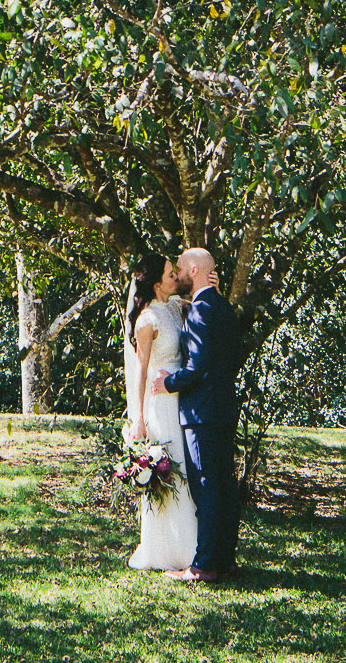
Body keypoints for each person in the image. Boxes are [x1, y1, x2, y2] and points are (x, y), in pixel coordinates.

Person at [152, 246, 244, 583]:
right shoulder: (221, 306)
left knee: (206, 487)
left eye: (180, 268)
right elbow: (233, 358)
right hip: (223, 408)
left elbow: (197, 365)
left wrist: (168, 383)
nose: (177, 273)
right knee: (224, 487)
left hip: (202, 413)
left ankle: (203, 565)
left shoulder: (201, 312)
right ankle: (225, 559)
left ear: (193, 269)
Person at [123, 252, 198, 571]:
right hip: (160, 404)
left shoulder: (173, 307)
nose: (175, 278)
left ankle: (191, 547)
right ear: (156, 284)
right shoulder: (147, 320)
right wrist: (138, 417)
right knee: (171, 471)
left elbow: (201, 307)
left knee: (186, 472)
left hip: (181, 398)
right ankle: (166, 550)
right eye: (170, 274)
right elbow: (140, 372)